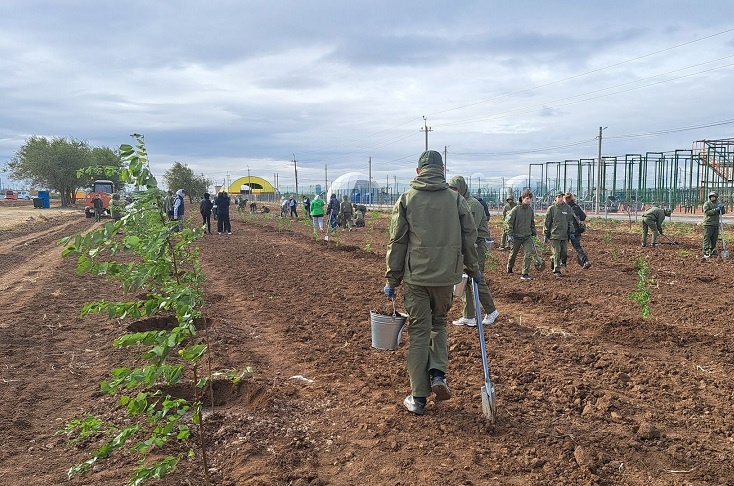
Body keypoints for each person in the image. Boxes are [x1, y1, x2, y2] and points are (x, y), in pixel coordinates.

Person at [384, 150, 479, 416]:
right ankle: (438, 373)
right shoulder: (456, 199)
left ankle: (418, 398)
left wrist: (392, 278)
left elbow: (398, 241)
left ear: (418, 171)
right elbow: (469, 237)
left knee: (419, 333)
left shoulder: (406, 199)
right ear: (442, 169)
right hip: (446, 277)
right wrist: (473, 268)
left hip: (416, 278)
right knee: (439, 324)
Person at [449, 175, 499, 327]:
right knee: (463, 279)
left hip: (476, 246)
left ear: (462, 188)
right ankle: (469, 315)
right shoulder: (460, 203)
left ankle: (491, 311)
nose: (453, 192)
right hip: (466, 245)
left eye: (456, 189)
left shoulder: (472, 205)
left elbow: (471, 231)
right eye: (451, 189)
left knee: (477, 277)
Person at [505, 189, 537, 280]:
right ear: (522, 198)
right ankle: (510, 266)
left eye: (530, 198)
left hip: (527, 236)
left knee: (528, 254)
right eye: (527, 198)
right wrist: (510, 234)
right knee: (513, 254)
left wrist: (534, 233)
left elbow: (532, 223)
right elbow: (509, 222)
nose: (529, 200)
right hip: (516, 237)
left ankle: (525, 273)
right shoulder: (515, 209)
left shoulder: (530, 210)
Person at [544, 192, 574, 277]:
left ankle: (552, 259)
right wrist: (546, 234)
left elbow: (570, 221)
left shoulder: (567, 208)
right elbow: (547, 222)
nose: (560, 198)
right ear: (555, 198)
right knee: (557, 252)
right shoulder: (551, 209)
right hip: (554, 235)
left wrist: (571, 231)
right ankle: (556, 270)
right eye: (559, 197)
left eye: (562, 197)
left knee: (563, 253)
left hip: (564, 235)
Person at [564, 193, 591, 268]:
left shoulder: (564, 208)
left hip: (566, 231)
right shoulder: (576, 206)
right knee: (578, 247)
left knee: (563, 248)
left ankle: (563, 263)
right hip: (576, 231)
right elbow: (583, 217)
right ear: (572, 198)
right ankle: (585, 261)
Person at [702, 191, 727, 258]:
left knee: (714, 238)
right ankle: (706, 251)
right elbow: (707, 212)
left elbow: (723, 212)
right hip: (708, 224)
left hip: (715, 224)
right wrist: (716, 209)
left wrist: (722, 208)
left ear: (716, 197)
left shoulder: (717, 203)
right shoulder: (707, 204)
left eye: (714, 196)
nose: (713, 198)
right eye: (711, 196)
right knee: (707, 238)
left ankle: (712, 249)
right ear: (710, 197)